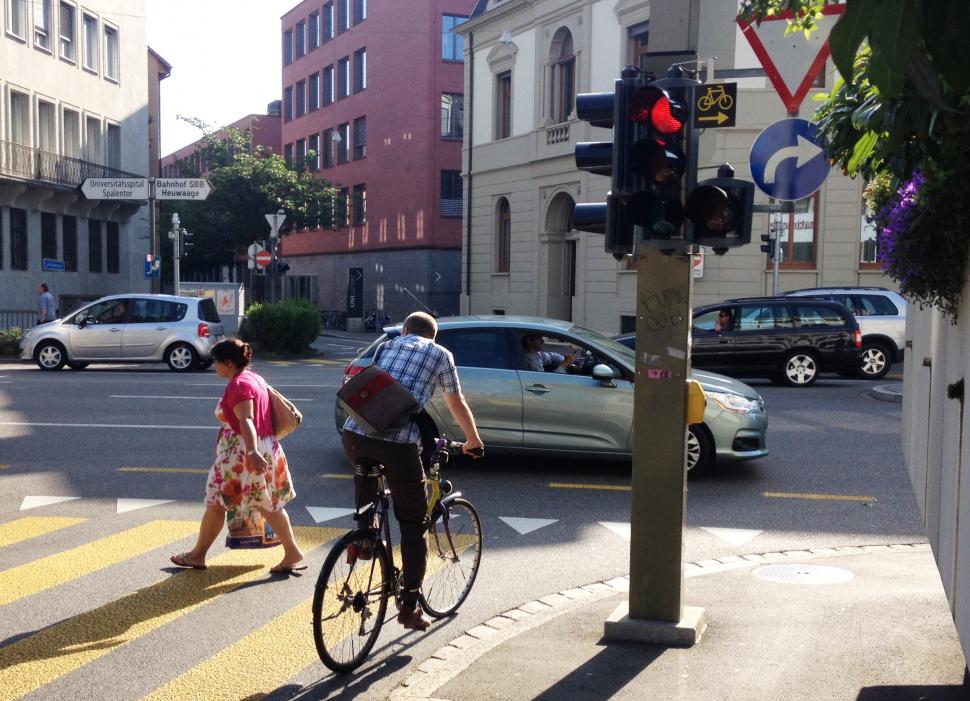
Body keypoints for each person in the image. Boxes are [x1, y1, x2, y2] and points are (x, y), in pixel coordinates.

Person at [342, 311, 484, 632]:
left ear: (405, 330)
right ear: (433, 336)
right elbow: (456, 402)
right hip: (397, 443)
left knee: (367, 471)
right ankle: (409, 607)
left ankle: (365, 535)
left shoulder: (387, 346)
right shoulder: (441, 354)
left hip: (353, 435)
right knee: (413, 526)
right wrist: (474, 440)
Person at [170, 338, 305, 574]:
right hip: (263, 446)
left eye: (217, 362)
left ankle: (197, 554)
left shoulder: (239, 386)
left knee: (216, 502)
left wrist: (251, 450)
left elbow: (247, 420)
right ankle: (291, 551)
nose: (215, 366)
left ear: (229, 362)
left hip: (241, 453)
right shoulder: (255, 378)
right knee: (267, 503)